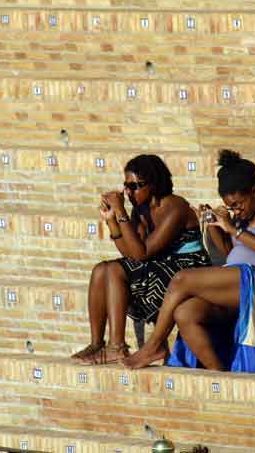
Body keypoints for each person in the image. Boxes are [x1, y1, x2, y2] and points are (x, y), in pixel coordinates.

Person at [123, 149, 255, 374]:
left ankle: (153, 346)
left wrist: (233, 228)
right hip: (235, 278)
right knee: (185, 313)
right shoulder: (241, 213)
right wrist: (215, 227)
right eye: (230, 206)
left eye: (238, 203)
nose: (236, 210)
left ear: (254, 191)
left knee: (182, 279)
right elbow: (228, 252)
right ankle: (218, 373)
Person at [71, 154, 211, 365]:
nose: (128, 192)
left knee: (116, 270)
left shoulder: (175, 206)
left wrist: (120, 212)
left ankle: (117, 347)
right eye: (126, 186)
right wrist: (112, 222)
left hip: (188, 267)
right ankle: (97, 343)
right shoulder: (141, 210)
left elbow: (141, 253)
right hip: (159, 263)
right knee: (102, 269)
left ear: (153, 185)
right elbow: (129, 251)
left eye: (135, 186)